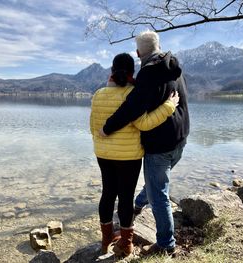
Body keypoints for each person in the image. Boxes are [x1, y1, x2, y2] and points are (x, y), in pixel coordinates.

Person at [100, 31, 190, 255]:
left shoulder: (149, 73)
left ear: (139, 52)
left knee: (158, 193)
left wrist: (107, 128)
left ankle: (166, 245)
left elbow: (131, 110)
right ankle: (139, 204)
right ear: (158, 46)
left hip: (160, 144)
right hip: (181, 137)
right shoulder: (174, 67)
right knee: (154, 184)